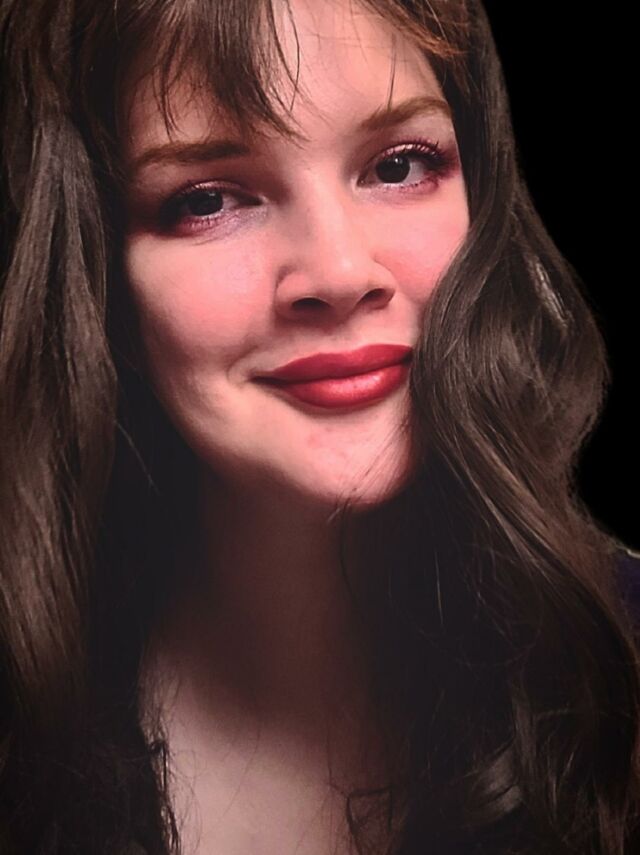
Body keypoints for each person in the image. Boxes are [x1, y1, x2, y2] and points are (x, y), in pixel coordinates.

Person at [0, 0, 638, 853]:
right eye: (208, 199)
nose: (338, 272)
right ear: (97, 276)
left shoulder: (622, 660)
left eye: (400, 165)